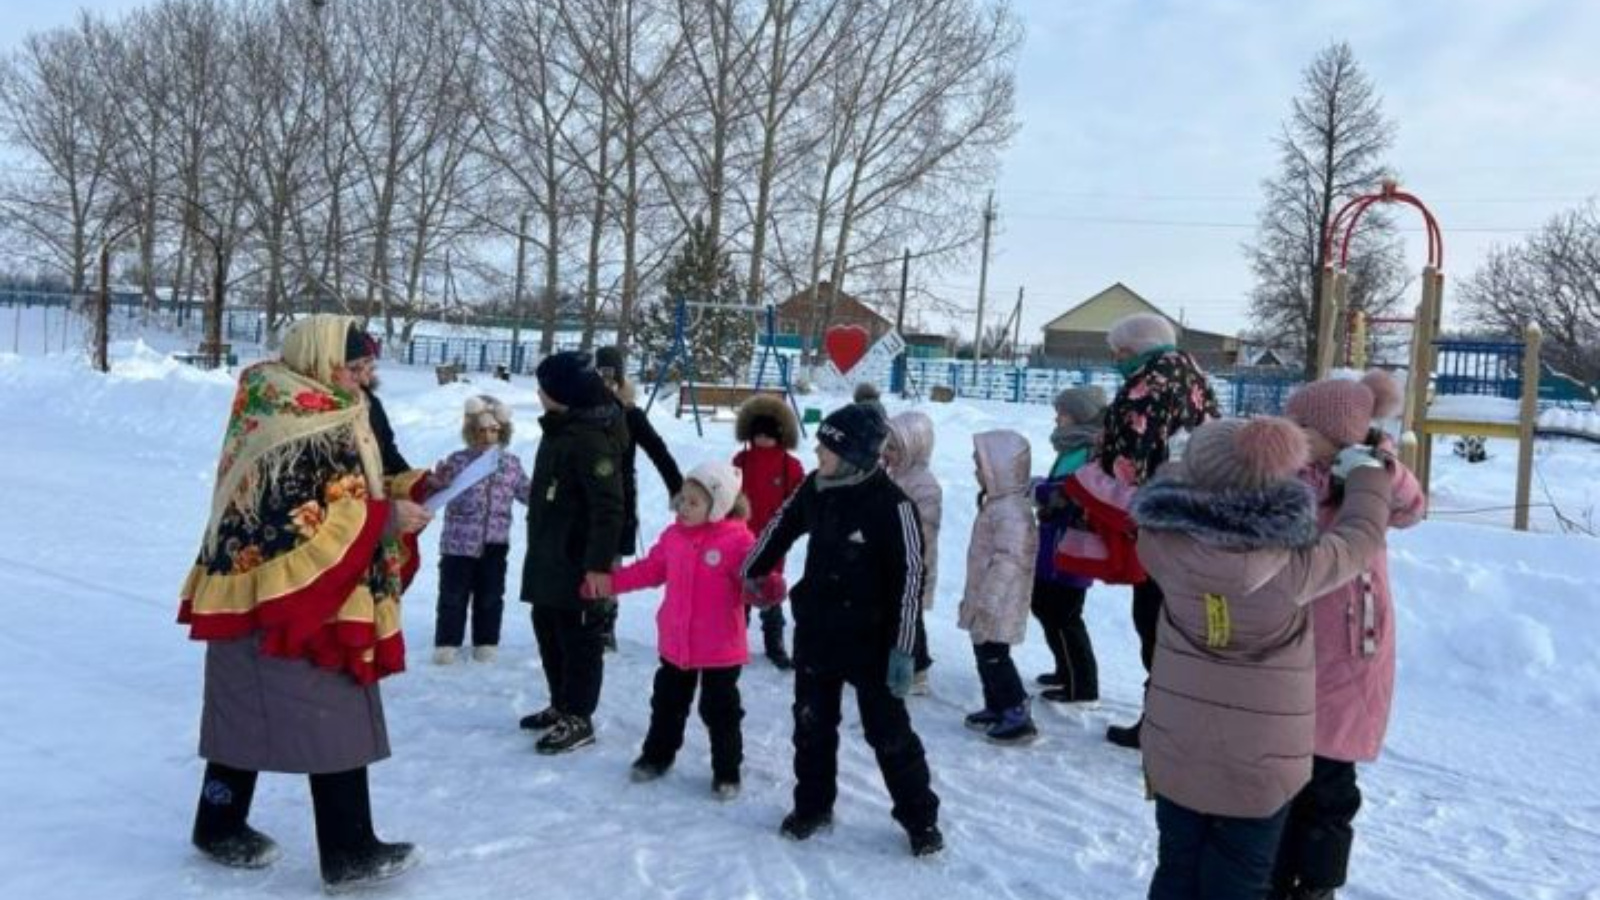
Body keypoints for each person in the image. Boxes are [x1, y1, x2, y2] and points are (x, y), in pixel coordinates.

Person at [177, 314, 432, 892]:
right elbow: (287, 513)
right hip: (277, 591)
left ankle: (218, 824)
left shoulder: (348, 404)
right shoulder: (280, 412)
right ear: (319, 360)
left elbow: (379, 470)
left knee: (252, 711)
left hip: (318, 586)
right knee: (327, 712)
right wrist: (382, 519)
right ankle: (348, 850)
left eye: (368, 368)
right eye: (354, 367)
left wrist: (418, 487)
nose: (363, 378)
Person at [1130, 416, 1393, 900]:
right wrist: (1368, 476)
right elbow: (1360, 536)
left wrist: (1181, 461)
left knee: (1176, 869)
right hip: (1261, 767)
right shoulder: (1295, 567)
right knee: (1240, 880)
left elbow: (1165, 493)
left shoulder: (1161, 545)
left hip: (1176, 749)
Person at [741, 404, 944, 858]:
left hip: (873, 641)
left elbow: (912, 580)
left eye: (826, 447)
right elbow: (780, 526)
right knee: (811, 724)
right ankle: (813, 806)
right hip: (817, 629)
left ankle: (920, 818)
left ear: (852, 454)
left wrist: (905, 649)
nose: (817, 452)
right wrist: (752, 568)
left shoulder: (893, 506)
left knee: (889, 734)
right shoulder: (816, 487)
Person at [1271, 372, 1426, 900]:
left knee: (1329, 780)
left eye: (1304, 427)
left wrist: (1379, 469)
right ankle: (1273, 874)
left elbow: (1413, 508)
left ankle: (1317, 884)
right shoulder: (1288, 474)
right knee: (1281, 775)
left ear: (1339, 435)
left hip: (1353, 642)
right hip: (1292, 633)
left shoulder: (1369, 476)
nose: (1293, 433)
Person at [1062, 312, 1218, 749]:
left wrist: (1094, 476)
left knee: (1153, 620)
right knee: (1178, 621)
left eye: (1119, 354)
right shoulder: (1195, 377)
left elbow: (1129, 458)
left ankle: (1161, 722)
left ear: (1133, 351)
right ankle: (1178, 717)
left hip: (1158, 519)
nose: (1117, 361)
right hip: (1197, 514)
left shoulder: (1146, 385)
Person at [590, 462, 757, 799]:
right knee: (667, 702)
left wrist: (765, 586)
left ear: (717, 507)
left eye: (694, 502)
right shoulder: (674, 537)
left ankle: (727, 771)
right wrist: (611, 583)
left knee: (719, 710)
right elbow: (649, 570)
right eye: (682, 499)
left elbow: (756, 578)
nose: (683, 507)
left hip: (720, 647)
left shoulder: (738, 541)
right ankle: (657, 756)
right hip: (677, 642)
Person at [518, 350, 627, 755]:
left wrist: (597, 566)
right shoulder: (563, 427)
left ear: (562, 392)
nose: (539, 394)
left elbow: (608, 508)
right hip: (550, 553)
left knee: (578, 638)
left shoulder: (590, 438)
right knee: (547, 627)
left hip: (577, 561)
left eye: (543, 388)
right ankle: (561, 703)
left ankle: (579, 716)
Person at [593, 345, 684, 653]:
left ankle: (605, 625)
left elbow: (658, 450)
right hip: (585, 501)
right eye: (600, 375)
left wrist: (677, 488)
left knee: (610, 564)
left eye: (611, 376)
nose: (606, 382)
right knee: (582, 560)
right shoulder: (581, 412)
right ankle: (584, 619)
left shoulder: (630, 414)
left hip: (619, 501)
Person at [428, 395, 530, 665]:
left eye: (494, 430)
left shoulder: (511, 464)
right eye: (481, 430)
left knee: (490, 596)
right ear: (471, 431)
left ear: (502, 431)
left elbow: (527, 493)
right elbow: (437, 490)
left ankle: (486, 642)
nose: (487, 436)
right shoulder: (457, 461)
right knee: (452, 596)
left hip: (495, 542)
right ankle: (447, 643)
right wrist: (436, 482)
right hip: (457, 543)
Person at [958, 430, 1040, 744]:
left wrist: (989, 599)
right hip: (987, 595)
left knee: (994, 655)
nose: (976, 472)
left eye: (981, 466)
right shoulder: (997, 504)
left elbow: (1010, 559)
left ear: (1001, 469)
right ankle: (996, 705)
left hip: (1001, 599)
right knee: (984, 650)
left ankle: (1016, 711)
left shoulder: (1012, 512)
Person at [732, 394, 806, 670]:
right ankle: (734, 639)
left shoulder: (790, 465)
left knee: (771, 592)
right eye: (758, 434)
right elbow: (729, 494)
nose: (762, 439)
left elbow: (800, 500)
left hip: (774, 541)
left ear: (780, 435)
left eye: (768, 434)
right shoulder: (741, 460)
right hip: (741, 539)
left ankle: (774, 643)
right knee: (739, 592)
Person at [883, 411, 942, 694]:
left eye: (894, 448)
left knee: (909, 618)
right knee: (894, 615)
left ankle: (918, 671)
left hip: (913, 563)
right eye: (886, 446)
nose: (887, 453)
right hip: (890, 560)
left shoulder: (924, 485)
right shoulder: (894, 474)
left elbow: (925, 530)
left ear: (914, 447)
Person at [351, 334, 411, 476]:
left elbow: (387, 449)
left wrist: (414, 479)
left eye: (372, 360)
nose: (371, 366)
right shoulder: (323, 411)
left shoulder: (371, 403)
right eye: (366, 361)